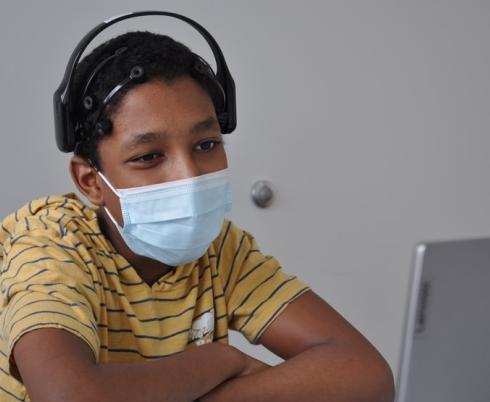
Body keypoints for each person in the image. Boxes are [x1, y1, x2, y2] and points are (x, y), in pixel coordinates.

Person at [0, 19, 395, 402]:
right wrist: (221, 359)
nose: (187, 177)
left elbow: (366, 376)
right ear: (90, 182)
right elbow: (70, 396)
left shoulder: (221, 249)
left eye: (206, 145)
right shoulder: (51, 243)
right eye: (149, 156)